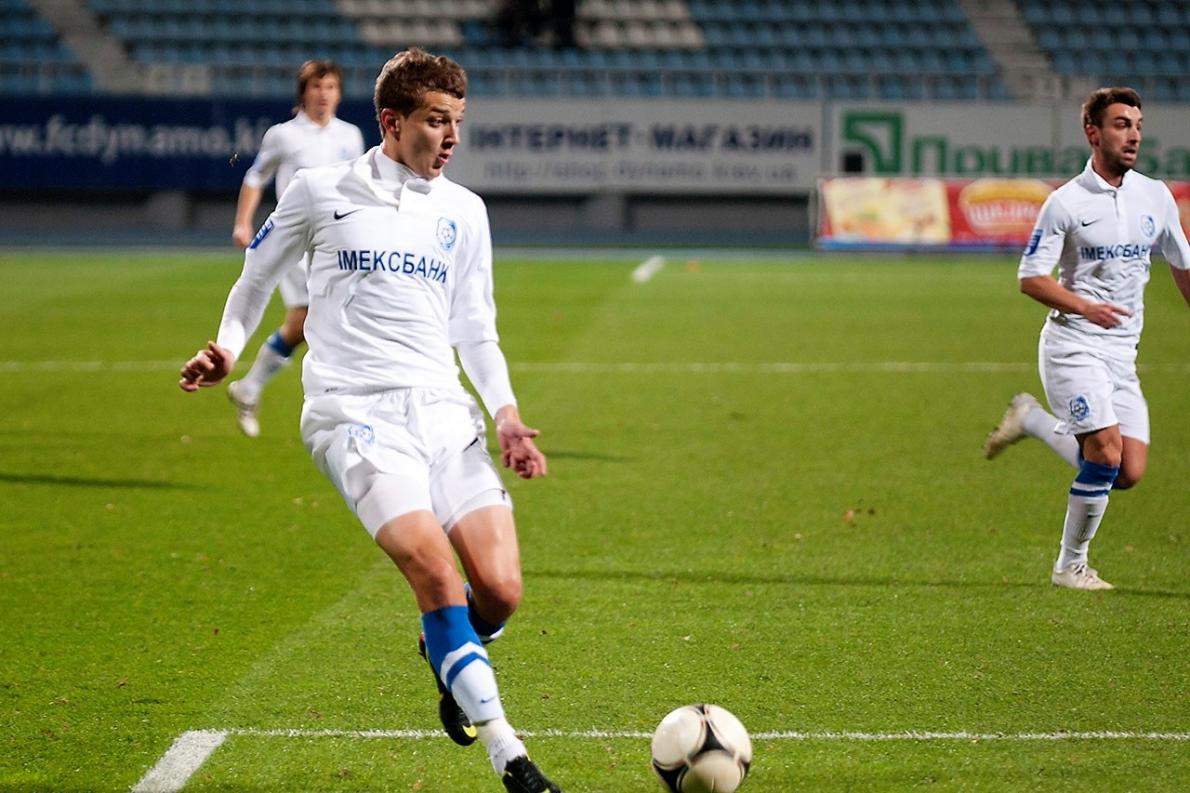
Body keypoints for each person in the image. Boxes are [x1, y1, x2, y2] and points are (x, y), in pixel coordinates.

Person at [180, 48, 562, 792]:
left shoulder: (465, 211)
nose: (451, 138)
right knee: (435, 572)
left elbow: (475, 327)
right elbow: (255, 280)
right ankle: (510, 755)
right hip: (353, 414)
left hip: (442, 412)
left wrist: (506, 413)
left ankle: (447, 650)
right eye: (436, 121)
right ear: (391, 121)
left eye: (457, 122)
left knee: (501, 591)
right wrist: (227, 348)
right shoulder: (321, 192)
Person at [983, 87, 1190, 590]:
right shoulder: (1066, 203)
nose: (1133, 135)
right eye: (1121, 124)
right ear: (1092, 133)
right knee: (1105, 452)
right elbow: (1031, 278)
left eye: (1137, 125)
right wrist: (1085, 307)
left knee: (1128, 471)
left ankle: (1032, 420)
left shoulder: (1155, 196)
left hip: (1122, 353)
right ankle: (1070, 566)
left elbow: (1183, 264)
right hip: (1072, 345)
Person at [227, 59, 366, 437]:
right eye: (316, 86)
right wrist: (243, 221)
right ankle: (341, 405)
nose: (323, 94)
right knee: (313, 317)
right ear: (303, 92)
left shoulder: (350, 135)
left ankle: (250, 387)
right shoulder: (283, 135)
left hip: (338, 242)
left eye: (330, 87)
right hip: (297, 240)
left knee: (310, 323)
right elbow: (255, 176)